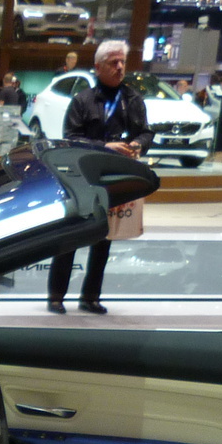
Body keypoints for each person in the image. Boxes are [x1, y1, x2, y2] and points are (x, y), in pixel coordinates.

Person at [46, 40, 150, 317]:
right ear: (98, 67)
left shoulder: (132, 99)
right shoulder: (82, 100)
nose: (120, 67)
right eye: (113, 63)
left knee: (105, 238)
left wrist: (138, 145)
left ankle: (90, 297)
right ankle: (56, 296)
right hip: (83, 177)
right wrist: (104, 146)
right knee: (71, 236)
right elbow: (71, 138)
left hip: (114, 176)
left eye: (122, 62)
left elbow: (145, 132)